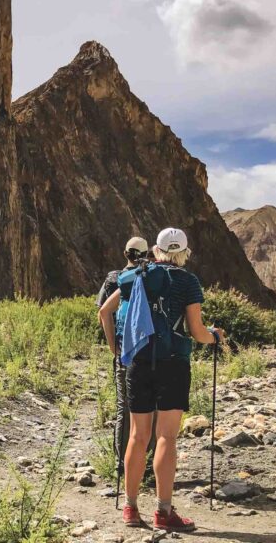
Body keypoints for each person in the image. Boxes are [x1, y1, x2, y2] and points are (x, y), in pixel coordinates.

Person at [99, 228, 225, 532]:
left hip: (138, 364)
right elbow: (196, 331)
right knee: (166, 436)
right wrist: (215, 337)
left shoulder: (134, 276)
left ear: (157, 250)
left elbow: (105, 310)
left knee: (137, 436)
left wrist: (116, 347)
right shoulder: (188, 281)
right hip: (173, 364)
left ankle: (130, 508)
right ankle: (164, 512)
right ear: (183, 253)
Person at [96, 237, 155, 487]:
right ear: (148, 254)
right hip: (148, 349)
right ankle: (148, 466)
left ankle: (122, 464)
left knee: (125, 407)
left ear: (125, 253)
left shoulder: (114, 279)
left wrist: (113, 346)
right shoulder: (152, 276)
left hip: (122, 351)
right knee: (151, 408)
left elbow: (102, 311)